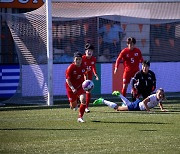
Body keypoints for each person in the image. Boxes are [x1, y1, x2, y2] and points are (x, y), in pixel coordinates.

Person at [93, 88, 168, 112]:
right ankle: (102, 100)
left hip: (138, 105)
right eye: (159, 94)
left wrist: (162, 109)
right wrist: (148, 110)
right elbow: (145, 101)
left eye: (162, 94)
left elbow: (160, 102)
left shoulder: (160, 98)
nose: (160, 95)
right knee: (118, 108)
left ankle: (119, 94)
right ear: (156, 93)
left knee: (128, 104)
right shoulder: (153, 96)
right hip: (138, 106)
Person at [65, 52, 87, 123]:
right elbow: (67, 79)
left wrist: (86, 82)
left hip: (80, 86)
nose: (78, 61)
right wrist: (72, 88)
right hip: (71, 88)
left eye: (79, 59)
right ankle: (74, 103)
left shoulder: (83, 66)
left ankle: (80, 117)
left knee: (83, 100)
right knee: (73, 106)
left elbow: (85, 74)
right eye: (76, 59)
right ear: (74, 60)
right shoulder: (70, 67)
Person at [82, 43, 99, 113]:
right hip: (81, 77)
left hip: (89, 78)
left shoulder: (93, 59)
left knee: (88, 91)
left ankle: (86, 107)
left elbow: (93, 67)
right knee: (80, 92)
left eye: (91, 51)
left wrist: (95, 74)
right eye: (88, 51)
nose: (89, 52)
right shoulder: (82, 58)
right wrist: (84, 74)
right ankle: (78, 103)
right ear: (85, 51)